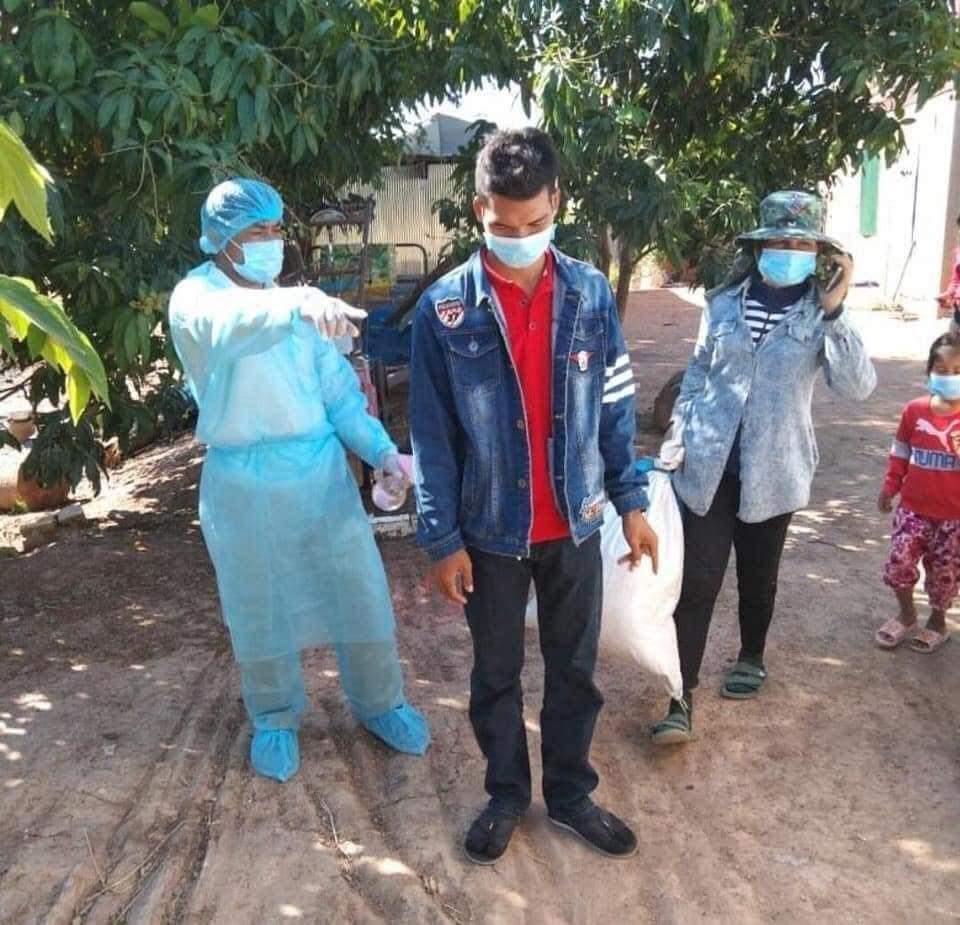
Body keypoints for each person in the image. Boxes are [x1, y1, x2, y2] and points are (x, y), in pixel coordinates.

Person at [409, 129, 658, 864]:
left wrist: (632, 502)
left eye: (535, 224)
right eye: (503, 226)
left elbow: (614, 403)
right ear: (478, 209)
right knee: (495, 673)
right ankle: (506, 793)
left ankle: (572, 793)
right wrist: (441, 539)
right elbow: (431, 434)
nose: (519, 239)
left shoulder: (588, 293)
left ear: (557, 202)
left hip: (575, 523)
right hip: (489, 532)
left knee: (574, 668)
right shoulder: (444, 310)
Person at [168, 178, 430, 783]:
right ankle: (274, 717)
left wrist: (384, 453)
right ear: (223, 238)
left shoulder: (296, 309)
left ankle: (380, 702)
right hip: (244, 486)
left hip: (319, 480)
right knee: (259, 609)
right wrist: (297, 303)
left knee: (359, 595)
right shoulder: (197, 298)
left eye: (275, 228)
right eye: (255, 230)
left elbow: (338, 396)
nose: (270, 240)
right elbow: (228, 324)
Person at [652, 190, 877, 745]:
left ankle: (751, 655)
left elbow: (857, 387)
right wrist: (679, 432)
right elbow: (698, 373)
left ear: (818, 254)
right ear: (758, 247)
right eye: (779, 242)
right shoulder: (723, 305)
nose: (788, 253)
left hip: (775, 471)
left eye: (801, 245)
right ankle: (680, 696)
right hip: (706, 466)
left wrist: (836, 309)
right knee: (697, 582)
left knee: (758, 576)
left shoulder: (820, 314)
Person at [875, 331, 960, 653]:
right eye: (942, 369)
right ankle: (907, 614)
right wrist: (890, 485)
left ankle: (937, 622)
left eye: (957, 371)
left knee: (944, 573)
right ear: (929, 371)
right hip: (913, 509)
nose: (949, 376)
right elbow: (900, 451)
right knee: (900, 562)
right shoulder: (914, 411)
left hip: (953, 517)